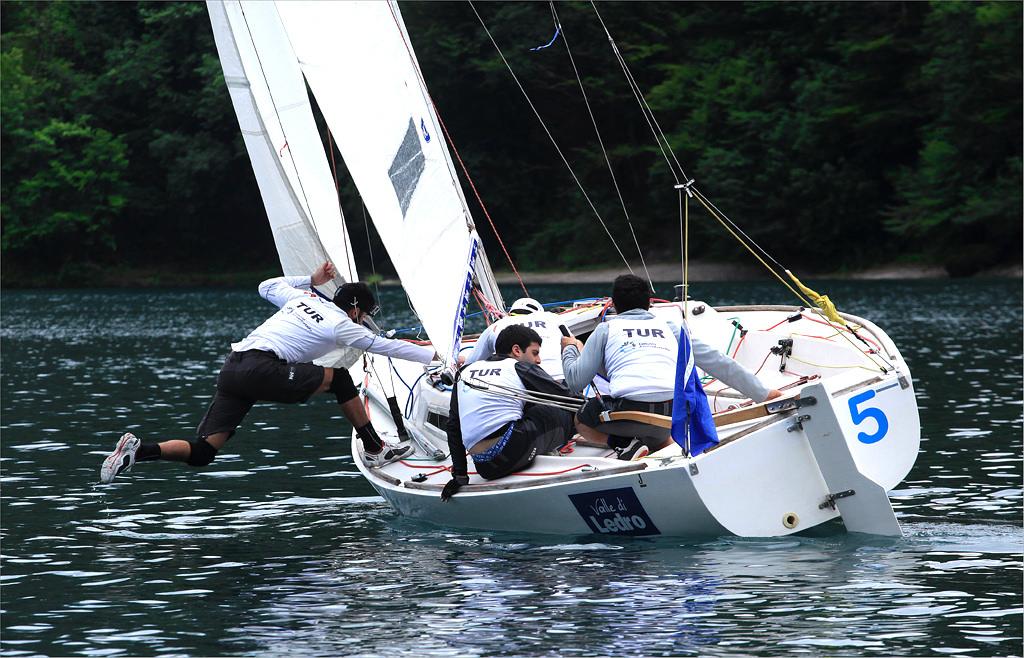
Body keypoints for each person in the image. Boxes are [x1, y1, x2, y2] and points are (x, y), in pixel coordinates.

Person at [100, 261, 437, 484]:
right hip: (261, 368)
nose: (363, 321)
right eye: (364, 315)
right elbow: (386, 347)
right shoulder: (342, 324)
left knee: (203, 452)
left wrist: (311, 280)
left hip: (233, 367)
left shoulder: (301, 298)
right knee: (340, 379)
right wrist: (436, 355)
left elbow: (266, 285)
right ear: (354, 310)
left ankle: (138, 451)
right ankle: (376, 448)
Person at [561, 274, 782, 458]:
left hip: (630, 414)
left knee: (581, 419)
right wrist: (764, 394)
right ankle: (669, 452)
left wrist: (570, 348)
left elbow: (575, 381)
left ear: (614, 306)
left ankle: (623, 444)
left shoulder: (605, 329)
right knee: (656, 429)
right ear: (649, 304)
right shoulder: (672, 328)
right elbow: (718, 362)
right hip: (672, 413)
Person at [441, 324, 581, 501]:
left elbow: (453, 426)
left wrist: (460, 476)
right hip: (512, 450)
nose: (538, 360)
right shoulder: (519, 367)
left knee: (530, 407)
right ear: (516, 350)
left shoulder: (463, 372)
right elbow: (568, 398)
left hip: (485, 467)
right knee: (569, 413)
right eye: (535, 353)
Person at [463, 297, 567, 380]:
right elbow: (571, 342)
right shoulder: (553, 317)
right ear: (541, 312)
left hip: (515, 386)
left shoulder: (496, 326)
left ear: (509, 314)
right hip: (558, 381)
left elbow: (470, 365)